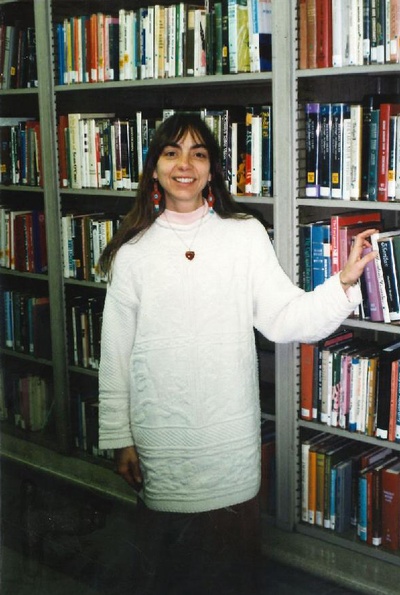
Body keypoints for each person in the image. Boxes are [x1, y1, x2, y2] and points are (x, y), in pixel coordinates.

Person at [98, 112, 377, 595]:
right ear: (155, 168)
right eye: (172, 152)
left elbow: (286, 317)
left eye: (198, 153)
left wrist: (344, 282)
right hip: (161, 445)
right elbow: (116, 353)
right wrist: (121, 437)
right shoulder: (133, 252)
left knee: (230, 577)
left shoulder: (244, 233)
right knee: (165, 577)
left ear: (211, 171)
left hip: (228, 449)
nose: (185, 164)